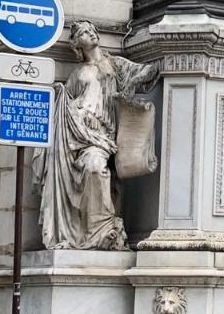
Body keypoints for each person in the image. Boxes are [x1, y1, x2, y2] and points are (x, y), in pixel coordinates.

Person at [36, 22, 159, 250]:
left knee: (95, 167)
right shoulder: (76, 74)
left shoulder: (114, 64)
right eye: (83, 32)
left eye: (92, 29)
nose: (90, 33)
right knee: (86, 167)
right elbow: (66, 107)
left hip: (103, 136)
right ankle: (83, 233)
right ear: (76, 44)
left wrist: (129, 85)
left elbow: (149, 72)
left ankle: (101, 230)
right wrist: (62, 98)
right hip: (78, 134)